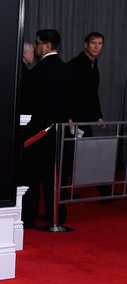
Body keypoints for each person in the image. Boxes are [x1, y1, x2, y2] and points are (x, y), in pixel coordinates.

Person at [21, 29, 73, 228]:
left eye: (38, 43)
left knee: (32, 178)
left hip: (38, 132)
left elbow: (29, 103)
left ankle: (29, 217)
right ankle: (56, 216)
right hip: (59, 132)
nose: (36, 47)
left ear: (47, 46)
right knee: (54, 177)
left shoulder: (38, 72)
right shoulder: (67, 69)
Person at [68, 32, 111, 198]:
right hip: (74, 119)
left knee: (85, 154)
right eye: (93, 43)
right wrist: (69, 117)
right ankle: (103, 191)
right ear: (86, 44)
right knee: (72, 155)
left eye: (100, 43)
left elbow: (92, 94)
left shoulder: (93, 63)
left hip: (84, 117)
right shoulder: (77, 64)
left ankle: (103, 191)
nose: (96, 47)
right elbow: (68, 92)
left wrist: (98, 115)